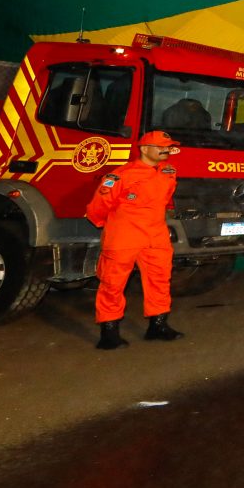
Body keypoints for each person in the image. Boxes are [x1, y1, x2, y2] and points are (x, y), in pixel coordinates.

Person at [88, 130, 184, 349]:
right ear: (144, 149)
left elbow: (165, 199)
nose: (166, 150)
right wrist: (113, 226)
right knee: (113, 283)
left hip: (156, 236)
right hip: (125, 236)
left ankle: (158, 325)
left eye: (168, 147)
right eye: (161, 147)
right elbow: (98, 206)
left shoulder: (168, 171)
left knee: (160, 280)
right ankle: (109, 332)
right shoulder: (121, 175)